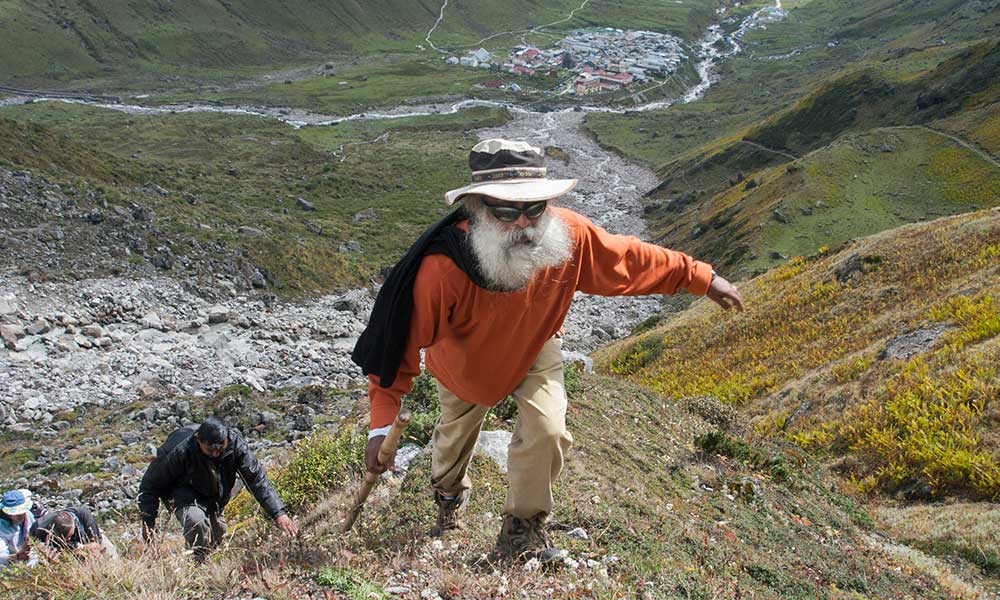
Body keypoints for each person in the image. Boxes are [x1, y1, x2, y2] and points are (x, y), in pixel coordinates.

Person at [353, 139, 745, 562]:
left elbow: (627, 259)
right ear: (477, 209)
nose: (524, 223)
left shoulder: (569, 236)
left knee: (548, 430)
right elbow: (398, 349)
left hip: (537, 346)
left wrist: (701, 277)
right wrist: (381, 426)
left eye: (535, 208)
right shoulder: (442, 271)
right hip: (465, 367)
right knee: (452, 445)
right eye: (506, 211)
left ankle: (521, 530)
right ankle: (448, 499)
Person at [137, 417, 298, 560]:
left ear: (227, 439)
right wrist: (148, 522)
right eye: (210, 450)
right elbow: (149, 485)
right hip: (183, 492)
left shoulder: (236, 446)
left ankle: (206, 561)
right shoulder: (178, 451)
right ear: (199, 441)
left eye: (219, 449)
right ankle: (196, 567)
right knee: (197, 523)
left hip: (215, 498)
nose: (215, 454)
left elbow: (256, 479)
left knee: (218, 532)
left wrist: (279, 513)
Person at [32, 506, 118, 559]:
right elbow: (31, 543)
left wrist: (83, 547)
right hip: (63, 550)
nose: (68, 539)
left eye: (69, 536)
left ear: (74, 524)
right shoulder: (39, 526)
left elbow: (96, 544)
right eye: (64, 538)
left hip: (87, 538)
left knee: (110, 556)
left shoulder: (83, 515)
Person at [0, 489, 38, 570]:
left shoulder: (28, 515)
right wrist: (16, 557)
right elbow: (1, 555)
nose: (14, 517)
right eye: (11, 514)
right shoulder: (1, 526)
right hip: (8, 561)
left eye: (19, 514)